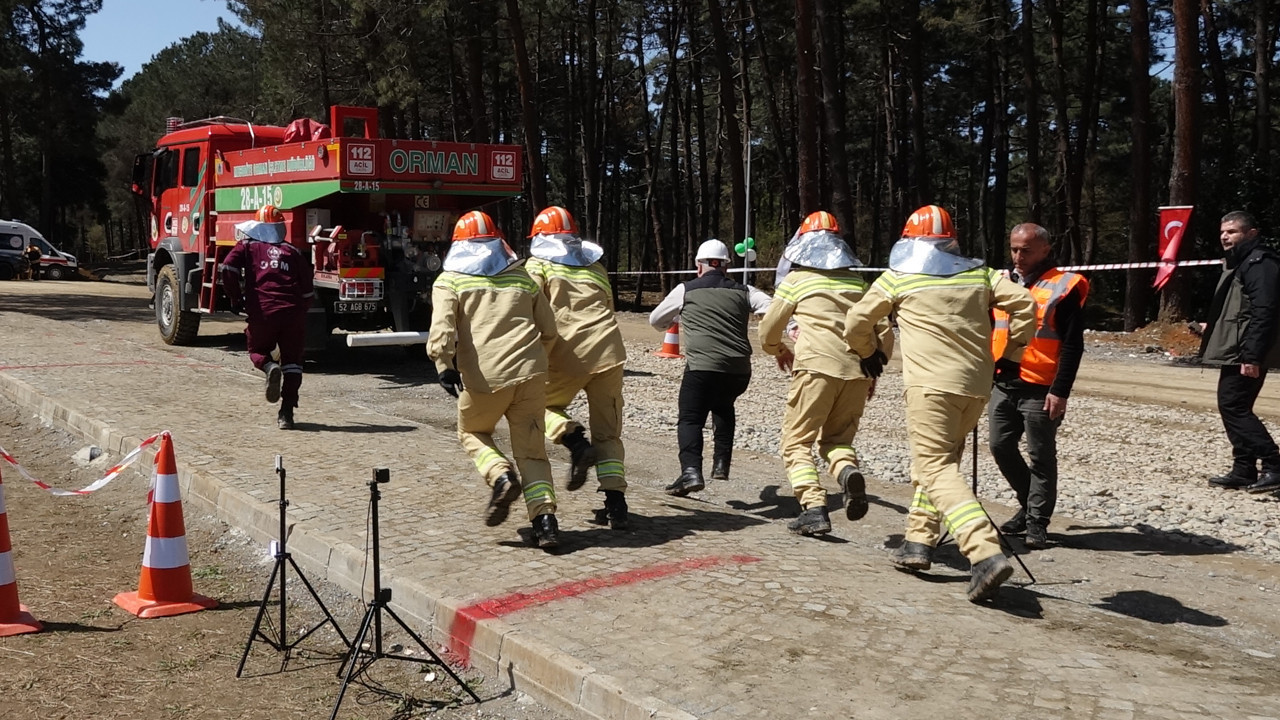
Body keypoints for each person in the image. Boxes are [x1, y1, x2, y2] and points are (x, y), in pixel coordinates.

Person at [845, 204, 1036, 603]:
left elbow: (856, 322)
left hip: (931, 388)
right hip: (976, 387)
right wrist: (1012, 353)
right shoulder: (981, 274)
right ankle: (918, 541)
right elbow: (1025, 304)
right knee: (940, 463)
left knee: (934, 467)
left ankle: (983, 552)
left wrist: (867, 352)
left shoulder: (898, 277)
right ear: (951, 240)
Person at [427, 210, 563, 548]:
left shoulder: (449, 281)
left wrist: (444, 366)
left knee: (472, 432)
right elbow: (549, 330)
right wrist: (536, 359)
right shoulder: (523, 279)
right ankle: (546, 523)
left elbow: (442, 330)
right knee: (532, 452)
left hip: (486, 378)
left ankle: (500, 476)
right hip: (531, 374)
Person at [759, 211, 894, 536]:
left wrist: (778, 349)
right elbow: (885, 332)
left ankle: (813, 507)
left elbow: (768, 330)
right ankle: (846, 472)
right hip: (857, 372)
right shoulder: (859, 283)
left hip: (815, 369)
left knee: (796, 442)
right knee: (838, 440)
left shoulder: (796, 281)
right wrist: (874, 369)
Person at [525, 206, 630, 530]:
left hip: (566, 352)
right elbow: (609, 306)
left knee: (537, 407)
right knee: (608, 431)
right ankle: (616, 505)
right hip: (609, 351)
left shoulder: (538, 266)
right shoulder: (594, 267)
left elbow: (529, 310)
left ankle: (574, 441)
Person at [988, 224, 1089, 549]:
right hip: (1003, 381)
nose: (1018, 256)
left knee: (1041, 456)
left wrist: (1060, 391)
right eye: (1014, 249)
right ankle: (1028, 504)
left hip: (1041, 387)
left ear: (1045, 250)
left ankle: (1036, 522)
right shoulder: (1001, 282)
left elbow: (1073, 345)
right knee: (1000, 446)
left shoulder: (1064, 286)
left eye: (1026, 250)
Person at [649, 239, 772, 496]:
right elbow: (773, 307)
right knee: (724, 405)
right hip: (739, 370)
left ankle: (691, 471)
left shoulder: (685, 290)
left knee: (691, 418)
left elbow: (655, 319)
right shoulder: (745, 291)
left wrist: (671, 321)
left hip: (702, 368)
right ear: (726, 266)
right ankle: (721, 465)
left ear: (698, 266)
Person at [1199, 210, 1280, 495]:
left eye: (1232, 231)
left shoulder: (1260, 263)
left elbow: (1265, 311)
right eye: (1223, 232)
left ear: (1251, 233)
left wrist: (1252, 355)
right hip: (1237, 350)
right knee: (1234, 405)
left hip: (1246, 351)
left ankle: (1274, 464)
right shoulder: (1241, 262)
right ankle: (1244, 468)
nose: (1224, 236)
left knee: (1233, 406)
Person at [221, 204, 315, 430]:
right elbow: (308, 289)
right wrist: (300, 311)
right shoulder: (293, 252)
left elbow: (227, 268)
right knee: (293, 363)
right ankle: (286, 413)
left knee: (257, 351)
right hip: (292, 312)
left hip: (263, 312)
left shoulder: (247, 246)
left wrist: (236, 298)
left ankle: (269, 366)